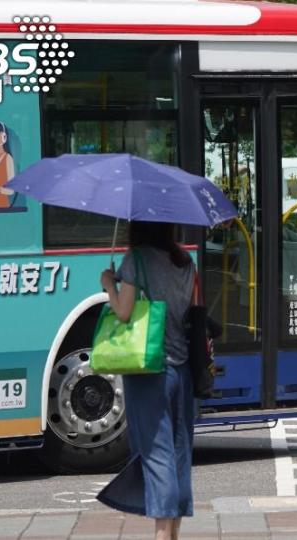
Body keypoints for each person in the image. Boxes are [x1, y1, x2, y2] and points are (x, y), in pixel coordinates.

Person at [97, 221, 197, 540]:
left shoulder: (135, 259)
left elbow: (124, 312)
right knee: (180, 452)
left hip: (150, 370)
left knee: (157, 455)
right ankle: (174, 532)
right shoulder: (185, 262)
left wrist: (109, 285)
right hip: (183, 371)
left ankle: (162, 534)